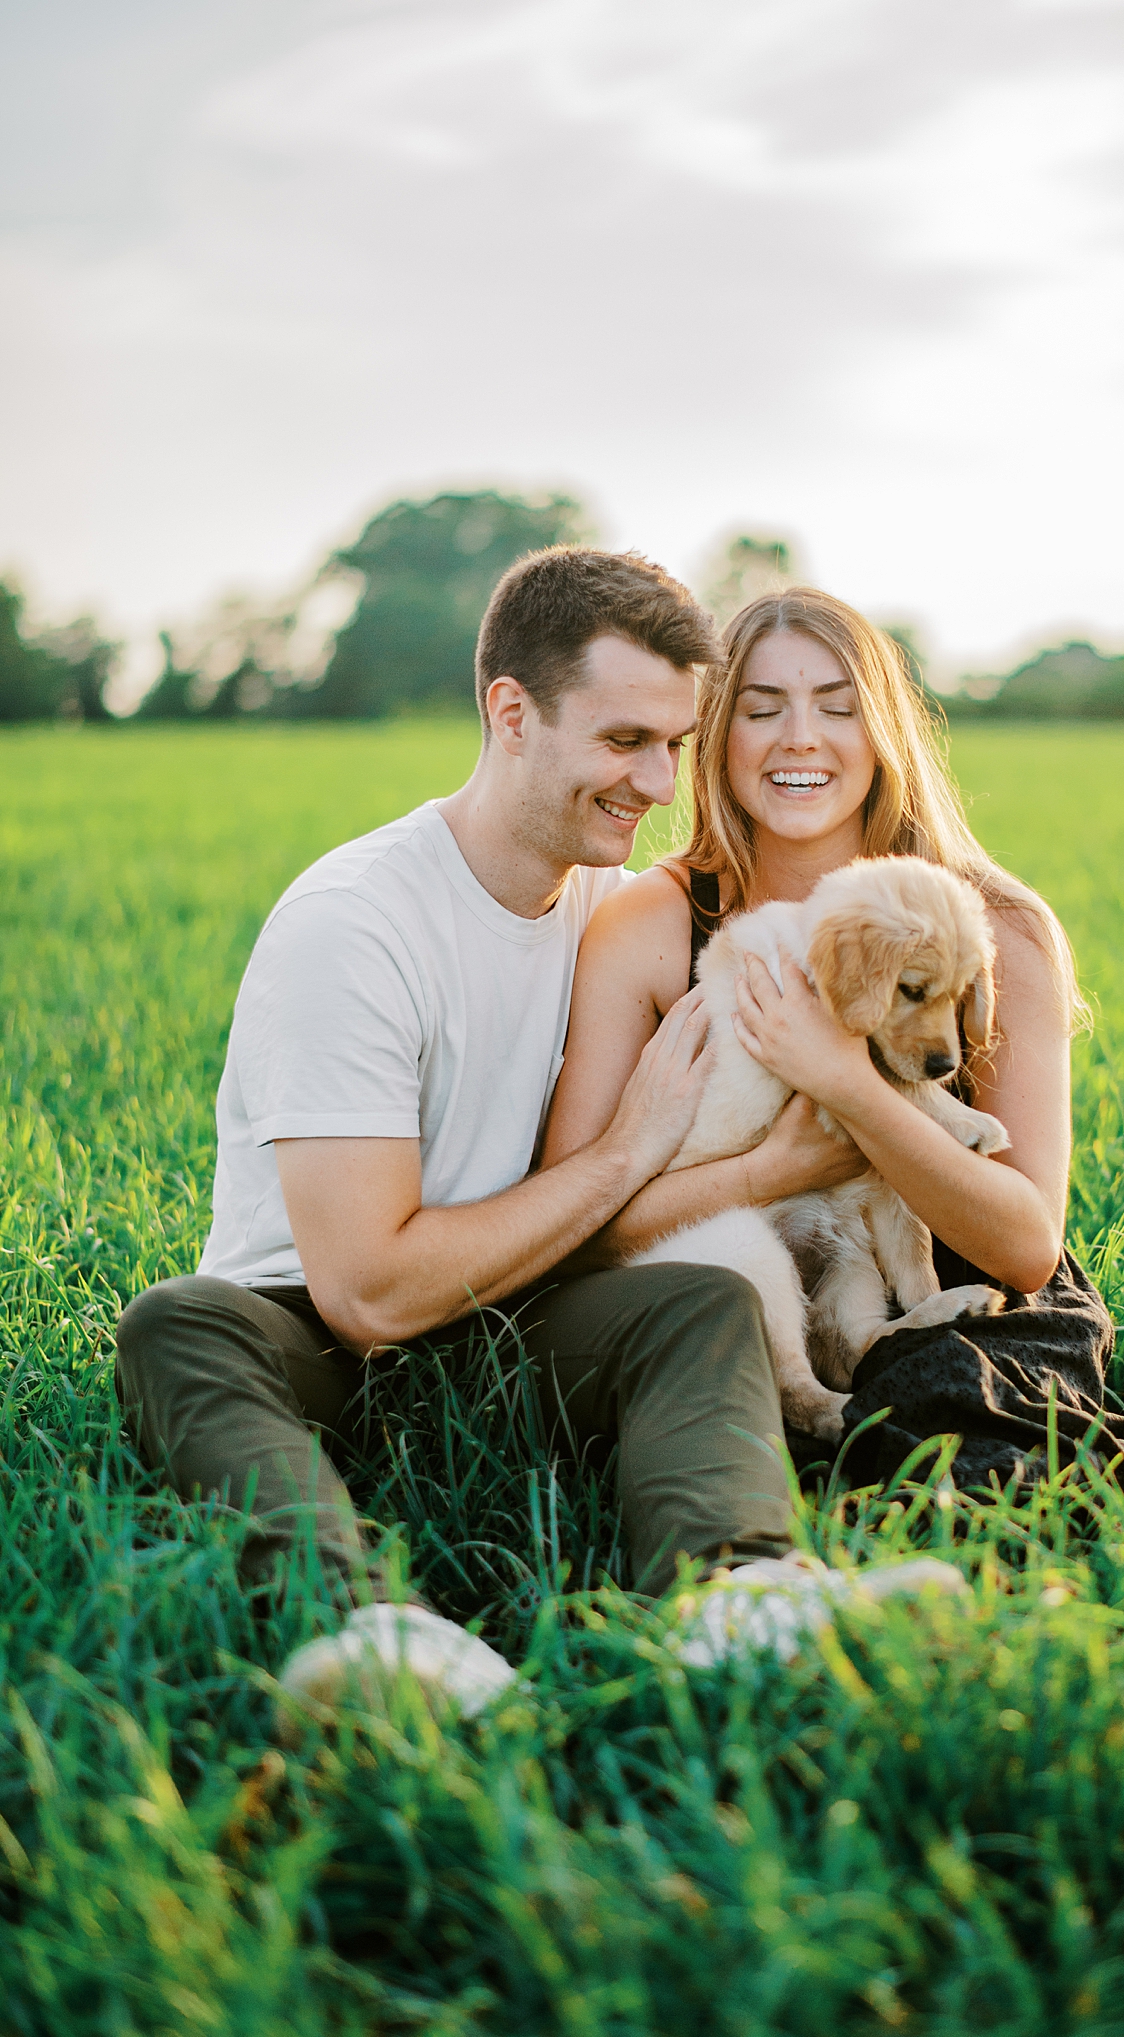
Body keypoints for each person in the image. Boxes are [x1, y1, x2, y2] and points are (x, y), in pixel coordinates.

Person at [115, 546, 805, 1728]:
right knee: (177, 1324)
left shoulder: (612, 912)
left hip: (513, 1319)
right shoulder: (356, 924)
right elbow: (368, 1294)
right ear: (510, 713)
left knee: (697, 1302)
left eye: (673, 747)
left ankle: (740, 1603)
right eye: (624, 741)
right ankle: (374, 1636)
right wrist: (622, 1157)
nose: (659, 783)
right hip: (318, 1344)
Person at [544, 585, 1083, 1372]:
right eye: (763, 710)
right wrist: (776, 1170)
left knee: (957, 1437)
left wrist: (846, 1087)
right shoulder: (653, 924)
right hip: (721, 1287)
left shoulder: (995, 928)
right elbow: (571, 1231)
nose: (800, 739)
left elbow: (1027, 1250)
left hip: (971, 1301)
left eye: (838, 707)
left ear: (884, 732)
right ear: (720, 736)